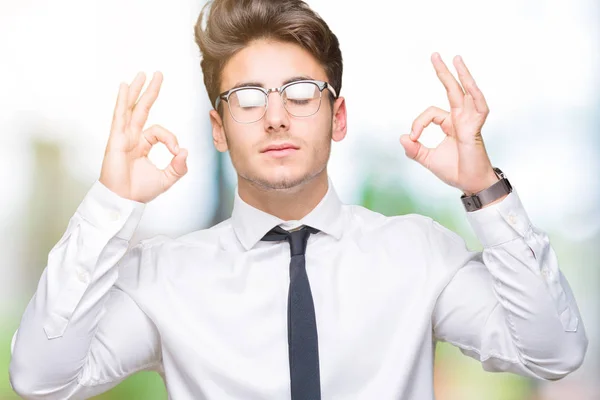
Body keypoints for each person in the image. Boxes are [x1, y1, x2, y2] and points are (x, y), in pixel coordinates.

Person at [9, 0, 588, 399]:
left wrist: (485, 188)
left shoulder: (416, 254)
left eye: (301, 91)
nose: (277, 115)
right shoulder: (165, 278)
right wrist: (112, 202)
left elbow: (555, 351)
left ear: (337, 117)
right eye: (250, 96)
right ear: (218, 128)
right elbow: (41, 377)